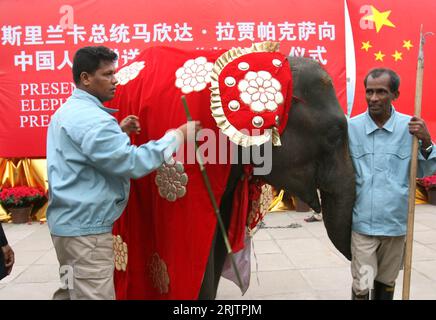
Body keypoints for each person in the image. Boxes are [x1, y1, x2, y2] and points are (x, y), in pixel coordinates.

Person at [46, 46, 200, 300]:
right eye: (107, 74)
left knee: (71, 291)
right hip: (87, 233)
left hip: (67, 227)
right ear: (85, 78)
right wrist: (177, 136)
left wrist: (117, 130)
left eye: (114, 73)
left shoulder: (71, 111)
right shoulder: (93, 120)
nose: (115, 80)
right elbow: (131, 163)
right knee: (93, 294)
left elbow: (87, 152)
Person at [348, 68, 436, 300]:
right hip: (363, 227)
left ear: (395, 94)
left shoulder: (411, 128)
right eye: (369, 92)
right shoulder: (351, 128)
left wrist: (426, 141)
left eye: (381, 92)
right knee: (363, 285)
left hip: (396, 225)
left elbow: (426, 170)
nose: (374, 98)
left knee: (386, 283)